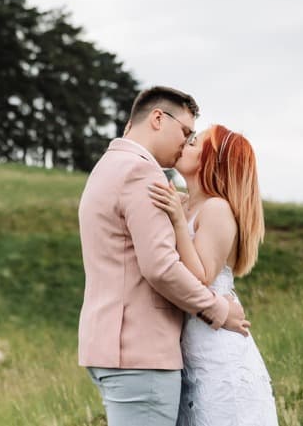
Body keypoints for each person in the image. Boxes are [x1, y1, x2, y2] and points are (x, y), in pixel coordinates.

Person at [77, 86, 250, 426]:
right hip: (141, 354)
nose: (185, 143)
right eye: (186, 132)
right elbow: (160, 267)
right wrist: (218, 310)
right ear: (158, 118)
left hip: (111, 347)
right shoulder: (141, 172)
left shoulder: (108, 165)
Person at [149, 124, 279, 425]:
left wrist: (179, 223)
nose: (186, 143)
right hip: (194, 346)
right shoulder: (187, 202)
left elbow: (201, 276)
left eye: (196, 143)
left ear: (212, 161)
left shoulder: (217, 208)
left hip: (217, 351)